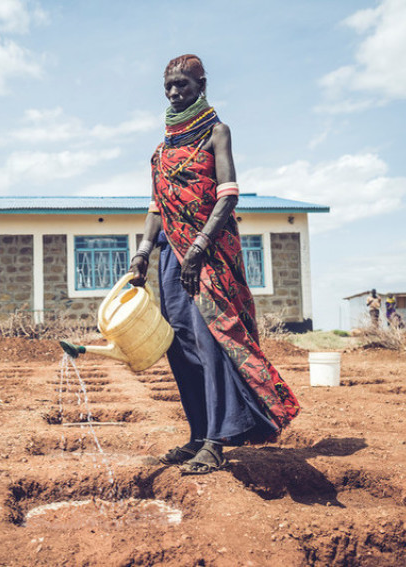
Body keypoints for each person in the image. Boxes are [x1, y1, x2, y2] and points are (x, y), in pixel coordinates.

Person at [129, 54, 300, 475]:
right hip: (171, 257)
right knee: (181, 346)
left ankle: (217, 442)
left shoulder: (215, 132)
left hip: (209, 256)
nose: (174, 92)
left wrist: (200, 246)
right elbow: (156, 206)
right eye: (168, 86)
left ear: (201, 85)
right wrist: (142, 254)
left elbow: (228, 194)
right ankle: (196, 434)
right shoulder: (161, 150)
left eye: (183, 85)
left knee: (214, 342)